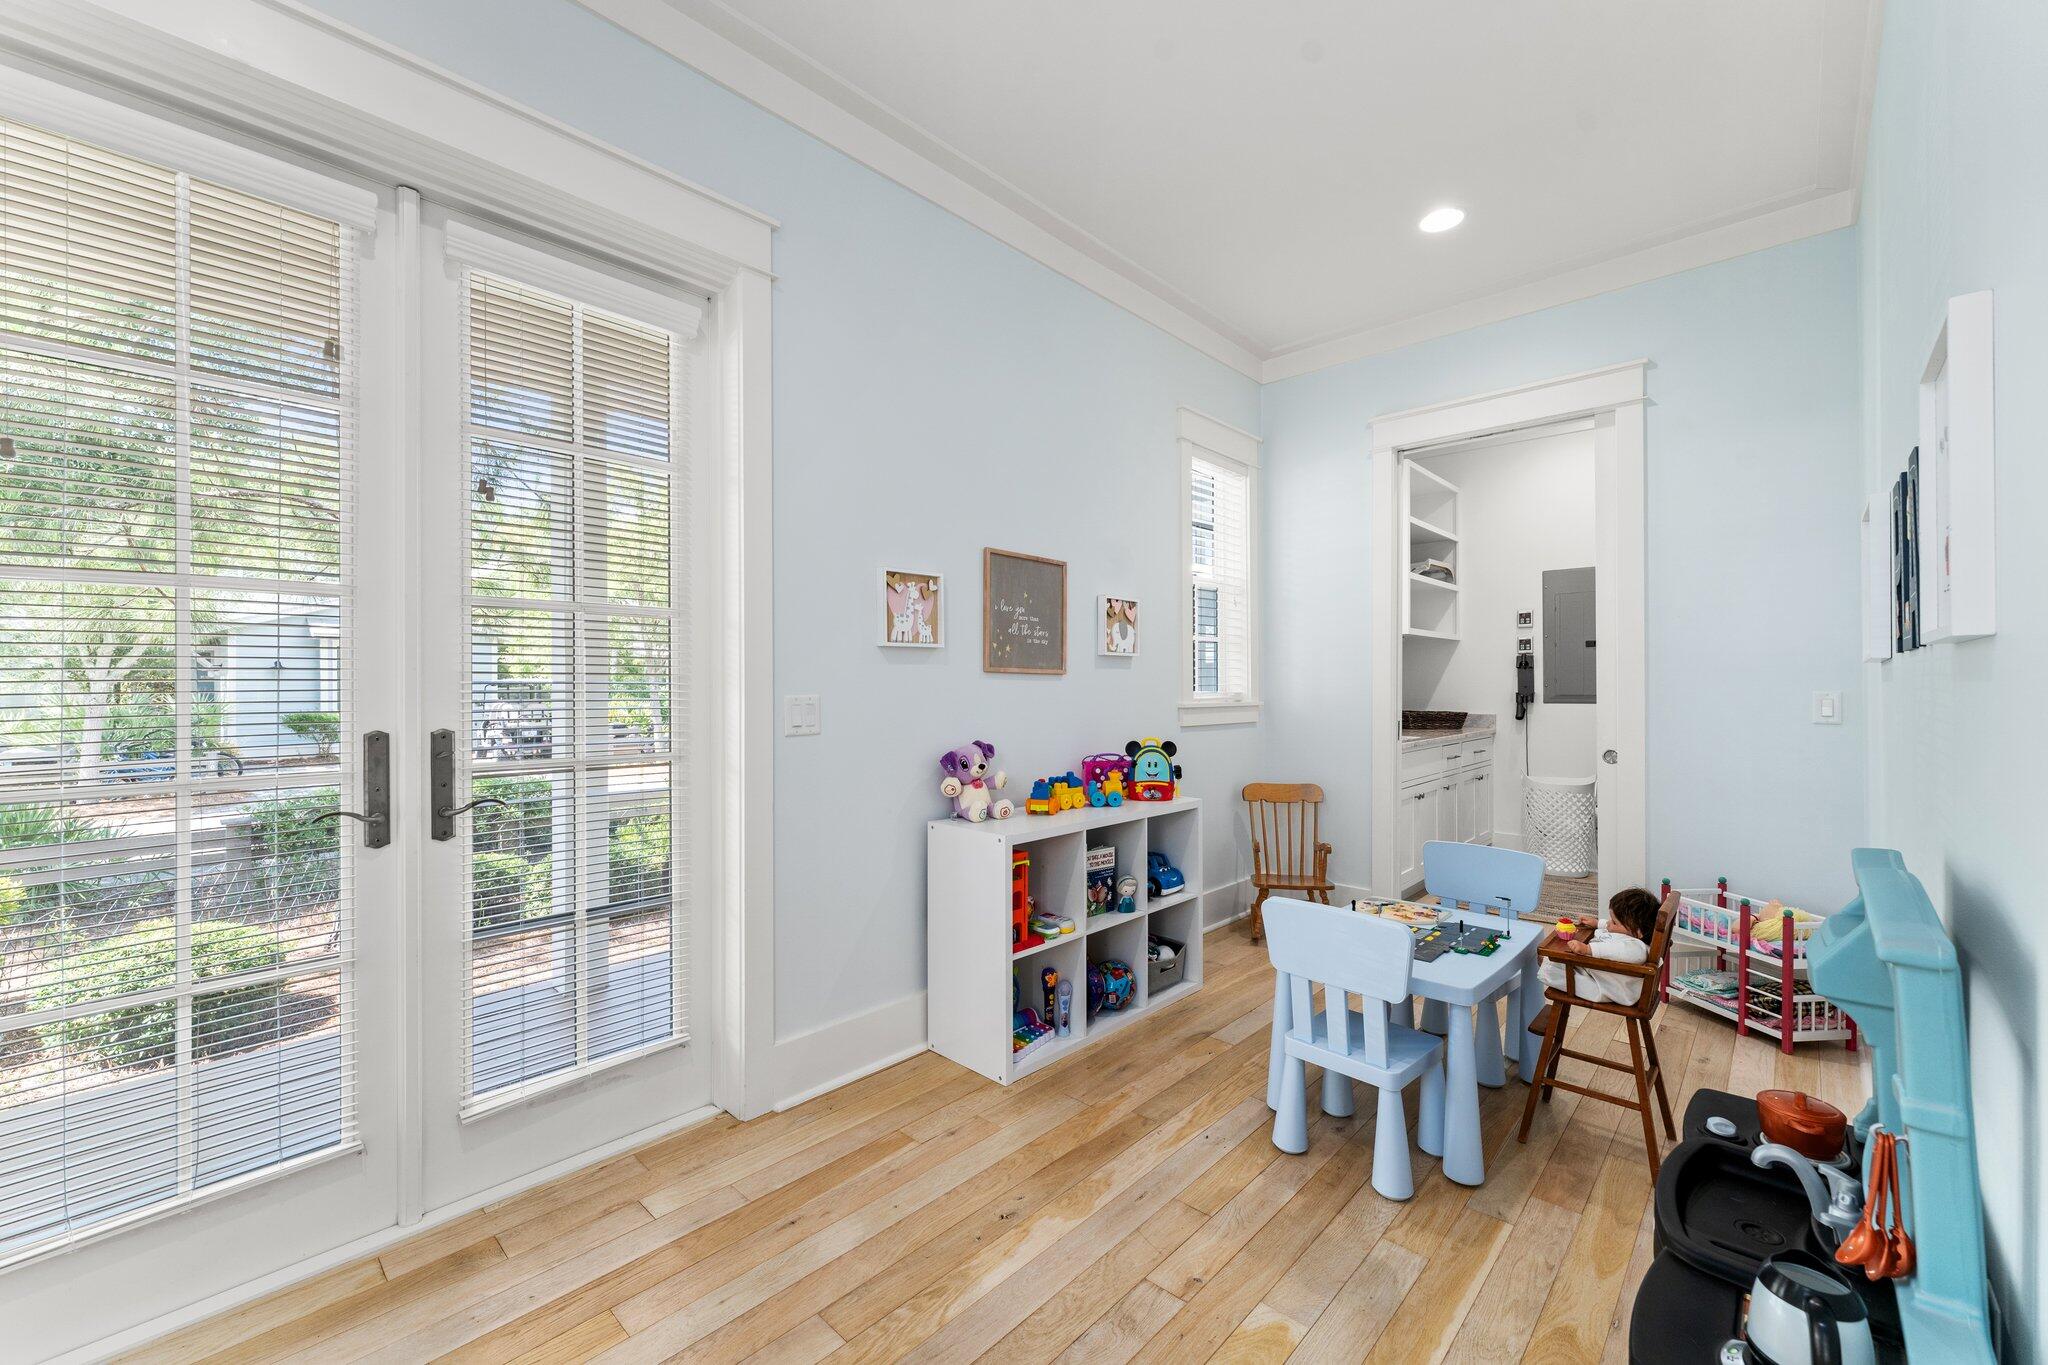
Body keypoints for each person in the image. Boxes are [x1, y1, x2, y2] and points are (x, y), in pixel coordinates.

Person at [1539, 886, 1659, 1005]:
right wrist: (1597, 923)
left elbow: (1615, 950)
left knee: (1553, 968)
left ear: (1638, 932)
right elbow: (1613, 933)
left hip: (1612, 988)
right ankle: (1547, 963)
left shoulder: (1636, 948)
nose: (1609, 923)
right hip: (1602, 974)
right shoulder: (1632, 935)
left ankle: (1546, 966)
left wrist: (1588, 949)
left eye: (1614, 922)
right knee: (1554, 961)